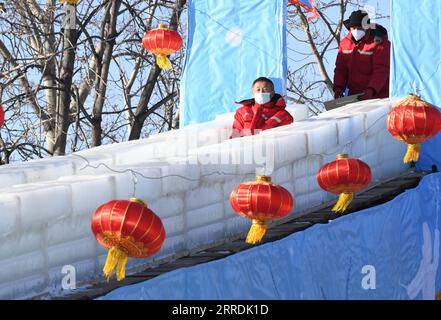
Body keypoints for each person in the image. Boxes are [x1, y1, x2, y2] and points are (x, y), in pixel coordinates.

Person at [333, 10, 390, 101]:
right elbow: (341, 69)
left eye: (359, 28)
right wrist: (338, 88)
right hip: (354, 97)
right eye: (353, 28)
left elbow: (382, 70)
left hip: (379, 97)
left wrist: (371, 90)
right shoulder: (344, 44)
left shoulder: (379, 43)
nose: (356, 31)